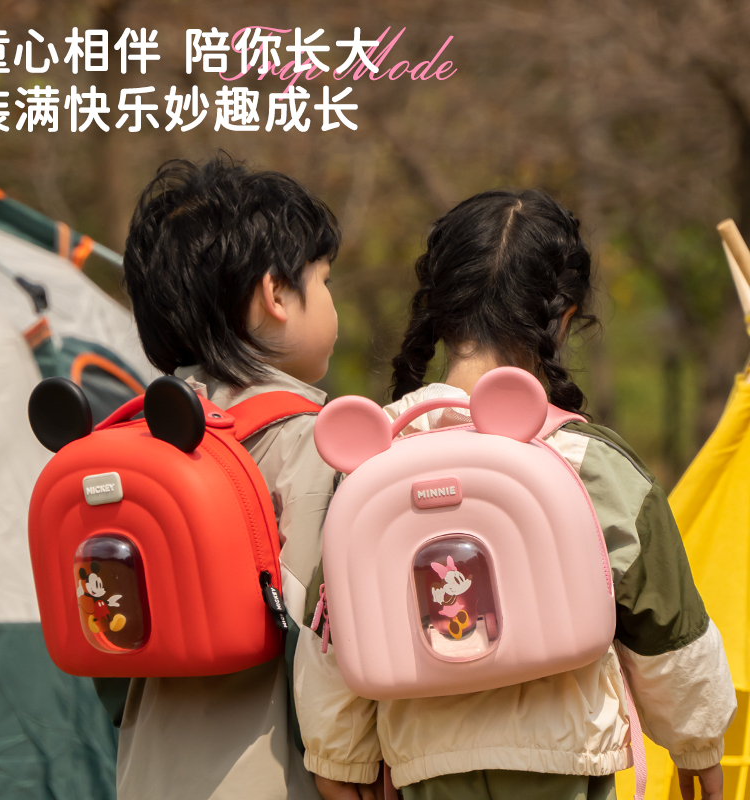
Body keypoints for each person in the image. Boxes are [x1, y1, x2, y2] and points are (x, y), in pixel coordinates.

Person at [294, 189, 736, 800]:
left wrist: (337, 758)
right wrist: (697, 741)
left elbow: (332, 630)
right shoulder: (588, 463)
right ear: (564, 317)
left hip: (426, 771)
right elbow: (666, 620)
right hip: (568, 766)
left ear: (440, 311)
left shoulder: (373, 467)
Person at [117, 155, 340, 800]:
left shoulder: (136, 444)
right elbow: (325, 638)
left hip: (146, 770)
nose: (331, 300)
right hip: (273, 776)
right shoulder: (311, 442)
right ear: (277, 295)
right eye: (324, 281)